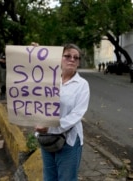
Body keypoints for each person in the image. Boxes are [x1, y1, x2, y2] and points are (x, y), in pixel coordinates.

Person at [35, 43, 90, 180]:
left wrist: (50, 127)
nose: (72, 59)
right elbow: (34, 96)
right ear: (59, 58)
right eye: (67, 56)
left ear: (78, 63)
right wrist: (34, 55)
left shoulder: (82, 85)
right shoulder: (48, 79)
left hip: (68, 141)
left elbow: (77, 114)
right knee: (49, 178)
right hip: (46, 138)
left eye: (76, 58)